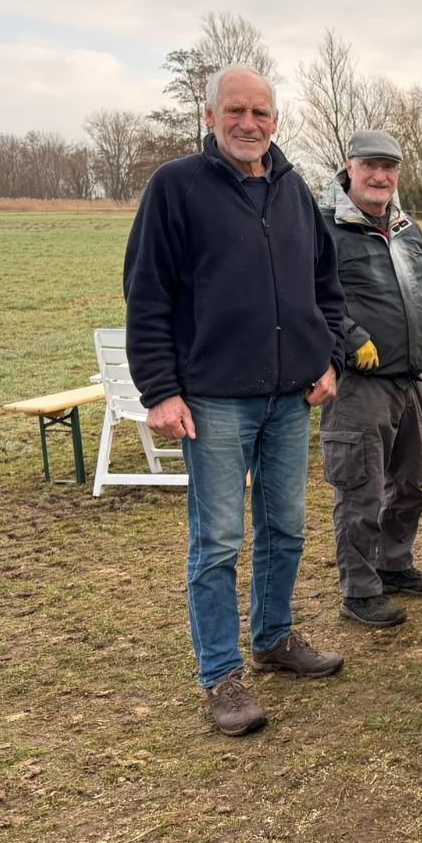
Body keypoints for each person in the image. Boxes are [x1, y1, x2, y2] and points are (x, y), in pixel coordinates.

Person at [123, 66, 346, 737]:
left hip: (289, 397)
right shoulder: (177, 188)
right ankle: (221, 674)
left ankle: (273, 638)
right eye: (236, 111)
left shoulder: (295, 191)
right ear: (211, 116)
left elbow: (326, 286)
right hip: (214, 399)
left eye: (260, 112)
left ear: (276, 120)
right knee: (218, 539)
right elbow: (147, 294)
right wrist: (160, 390)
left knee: (286, 528)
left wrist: (329, 357)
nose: (249, 124)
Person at [323, 130, 422, 628]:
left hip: (408, 379)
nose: (380, 176)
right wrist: (350, 337)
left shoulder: (407, 229)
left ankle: (394, 564)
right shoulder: (326, 228)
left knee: (410, 483)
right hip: (361, 385)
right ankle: (359, 590)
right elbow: (311, 296)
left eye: (389, 167)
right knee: (360, 490)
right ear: (350, 167)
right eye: (370, 166)